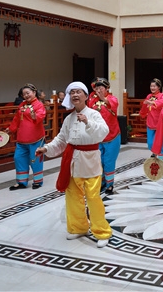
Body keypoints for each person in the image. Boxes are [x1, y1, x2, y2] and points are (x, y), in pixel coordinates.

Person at [35, 82, 112, 248]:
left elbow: (104, 132)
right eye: (72, 93)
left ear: (86, 96)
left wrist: (88, 122)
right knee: (73, 198)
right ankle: (79, 227)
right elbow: (61, 140)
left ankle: (102, 231)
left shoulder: (94, 114)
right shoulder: (68, 119)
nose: (75, 95)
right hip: (72, 162)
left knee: (93, 198)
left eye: (78, 92)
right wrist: (46, 148)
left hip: (90, 161)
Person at [4, 83, 47, 190]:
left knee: (35, 159)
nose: (26, 95)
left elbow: (41, 115)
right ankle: (21, 182)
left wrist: (35, 116)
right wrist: (11, 129)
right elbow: (16, 119)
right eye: (24, 94)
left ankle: (38, 181)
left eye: (28, 93)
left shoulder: (39, 105)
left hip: (36, 138)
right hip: (22, 139)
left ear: (34, 92)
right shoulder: (22, 105)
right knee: (18, 158)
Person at [88, 77, 120, 195]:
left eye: (101, 87)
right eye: (97, 87)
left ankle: (109, 184)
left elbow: (113, 105)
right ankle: (101, 182)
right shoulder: (92, 100)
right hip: (97, 136)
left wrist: (103, 98)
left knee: (109, 161)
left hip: (112, 136)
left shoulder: (112, 99)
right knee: (98, 161)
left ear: (107, 89)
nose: (99, 89)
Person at [139, 78, 163, 161]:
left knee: (160, 143)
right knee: (150, 143)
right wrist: (142, 113)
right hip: (150, 123)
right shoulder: (149, 96)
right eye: (151, 86)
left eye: (154, 86)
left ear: (158, 87)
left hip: (160, 123)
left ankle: (161, 156)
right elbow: (145, 107)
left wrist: (152, 103)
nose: (152, 88)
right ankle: (155, 152)